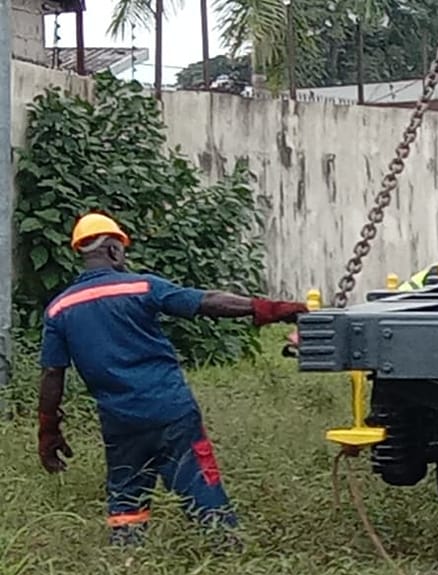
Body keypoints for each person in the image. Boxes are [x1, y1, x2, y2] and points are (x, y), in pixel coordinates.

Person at [36, 213, 309, 547]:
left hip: (120, 422)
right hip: (171, 412)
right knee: (201, 486)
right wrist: (272, 309)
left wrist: (48, 430)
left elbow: (52, 374)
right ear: (112, 250)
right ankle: (224, 544)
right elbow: (207, 302)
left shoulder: (59, 309)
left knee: (126, 500)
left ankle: (127, 558)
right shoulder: (141, 286)